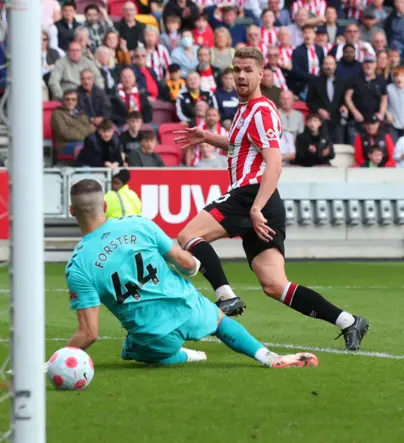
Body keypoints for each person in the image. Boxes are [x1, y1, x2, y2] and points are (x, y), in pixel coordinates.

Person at [174, 47, 369, 351]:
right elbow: (239, 145)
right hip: (260, 200)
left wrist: (255, 207)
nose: (240, 75)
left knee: (187, 235)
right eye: (236, 69)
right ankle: (348, 321)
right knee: (276, 285)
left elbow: (274, 163)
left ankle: (225, 295)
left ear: (260, 74)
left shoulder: (262, 110)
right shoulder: (244, 110)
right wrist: (208, 137)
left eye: (247, 69)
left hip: (250, 194)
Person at [65, 178, 319, 368]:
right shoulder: (138, 224)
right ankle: (267, 356)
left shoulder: (78, 265)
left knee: (131, 350)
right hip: (188, 307)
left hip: (153, 335)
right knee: (220, 321)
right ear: (105, 205)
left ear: (71, 210)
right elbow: (184, 263)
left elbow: (89, 333)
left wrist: (54, 362)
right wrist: (195, 265)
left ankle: (184, 355)